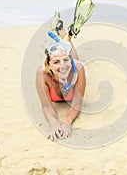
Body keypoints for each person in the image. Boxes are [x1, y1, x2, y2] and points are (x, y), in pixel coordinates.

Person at [36, 9, 89, 141]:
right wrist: (54, 122)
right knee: (65, 49)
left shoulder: (78, 68)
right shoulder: (42, 73)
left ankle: (67, 35)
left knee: (69, 49)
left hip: (74, 68)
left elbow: (77, 103)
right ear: (48, 65)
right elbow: (46, 105)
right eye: (56, 62)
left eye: (66, 60)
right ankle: (65, 33)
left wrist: (67, 121)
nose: (62, 66)